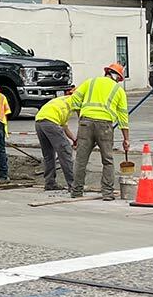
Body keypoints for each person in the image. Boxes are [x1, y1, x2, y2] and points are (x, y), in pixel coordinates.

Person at [69, 63, 130, 200]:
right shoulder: (118, 90)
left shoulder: (90, 82)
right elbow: (123, 117)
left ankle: (76, 191)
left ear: (107, 72)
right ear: (118, 78)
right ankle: (107, 193)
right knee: (107, 160)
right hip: (105, 126)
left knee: (80, 159)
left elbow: (75, 99)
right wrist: (126, 138)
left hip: (86, 123)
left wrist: (81, 117)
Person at [35, 90, 76, 191]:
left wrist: (74, 139)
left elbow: (65, 128)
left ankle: (50, 183)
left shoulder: (61, 102)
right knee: (66, 152)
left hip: (39, 123)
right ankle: (73, 185)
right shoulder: (73, 102)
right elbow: (82, 116)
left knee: (48, 155)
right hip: (50, 123)